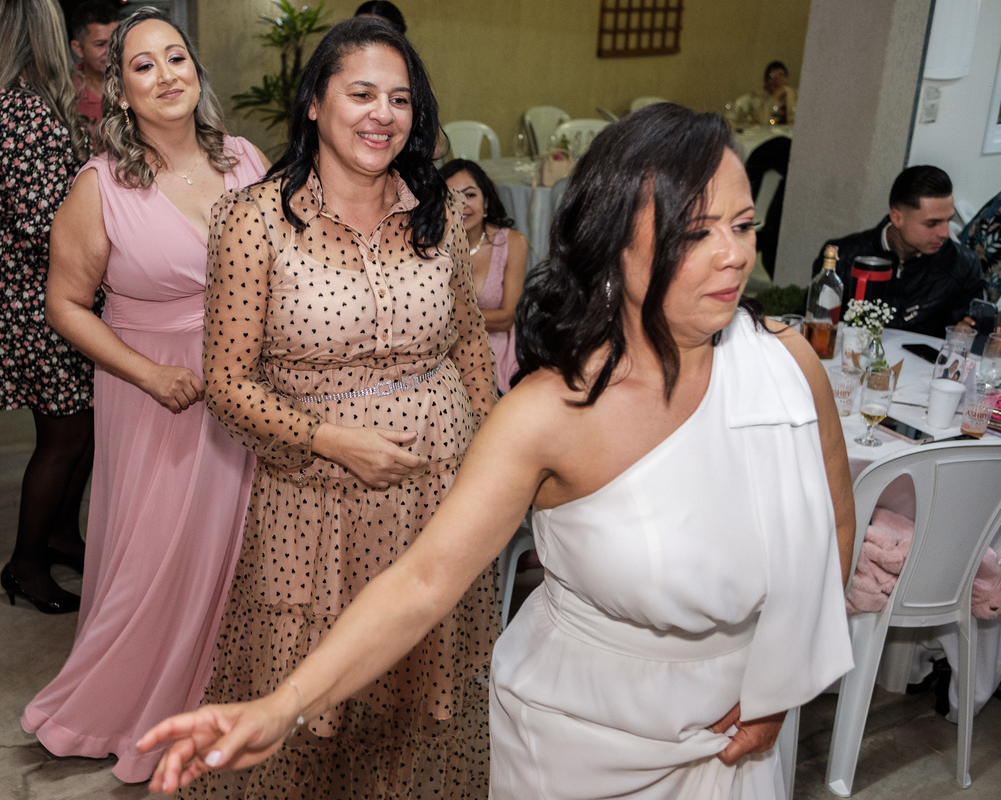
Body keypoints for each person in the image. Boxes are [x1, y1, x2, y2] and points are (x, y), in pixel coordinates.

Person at [138, 104, 857, 799]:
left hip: (742, 726)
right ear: (613, 242)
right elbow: (423, 582)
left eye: (743, 225)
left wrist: (779, 685)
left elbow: (832, 528)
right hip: (582, 739)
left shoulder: (787, 367)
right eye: (696, 233)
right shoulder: (547, 415)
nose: (734, 254)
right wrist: (283, 704)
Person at [171, 17, 498, 799]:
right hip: (314, 511)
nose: (383, 114)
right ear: (315, 102)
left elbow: (469, 344)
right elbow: (227, 383)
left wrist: (494, 462)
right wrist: (331, 440)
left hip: (439, 497)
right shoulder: (253, 219)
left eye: (400, 99)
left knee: (424, 691)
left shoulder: (437, 211)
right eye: (362, 94)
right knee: (305, 698)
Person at [22, 8, 270, 782]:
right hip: (158, 391)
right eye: (143, 65)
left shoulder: (245, 159)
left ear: (197, 70)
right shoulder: (99, 186)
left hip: (248, 387)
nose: (166, 75)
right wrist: (148, 373)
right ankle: (120, 702)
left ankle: (230, 698)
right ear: (119, 91)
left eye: (176, 58)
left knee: (243, 546)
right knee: (156, 560)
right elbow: (65, 304)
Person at [0, 0, 95, 613]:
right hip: (33, 291)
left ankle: (61, 534)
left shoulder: (17, 100)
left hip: (33, 283)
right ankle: (25, 563)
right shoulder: (20, 109)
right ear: (40, 30)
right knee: (64, 434)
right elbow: (47, 222)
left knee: (81, 427)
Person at [813, 165, 986, 338]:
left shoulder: (962, 264)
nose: (945, 233)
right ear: (897, 218)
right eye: (932, 223)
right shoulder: (842, 256)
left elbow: (976, 329)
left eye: (948, 220)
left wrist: (970, 332)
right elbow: (814, 323)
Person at [440, 158, 527, 392]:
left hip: (497, 358)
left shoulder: (512, 243)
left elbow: (507, 317)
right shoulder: (430, 247)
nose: (461, 204)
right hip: (446, 359)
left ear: (486, 201)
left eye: (470, 195)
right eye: (450, 197)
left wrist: (445, 317)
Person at [69, 0, 120, 129]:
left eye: (115, 42)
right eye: (100, 44)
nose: (110, 51)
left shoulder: (135, 82)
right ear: (78, 49)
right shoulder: (66, 93)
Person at [753, 61, 796, 125]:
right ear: (765, 80)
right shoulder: (758, 96)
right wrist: (775, 96)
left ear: (786, 78)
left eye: (781, 75)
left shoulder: (794, 94)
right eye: (772, 75)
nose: (777, 79)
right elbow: (762, 121)